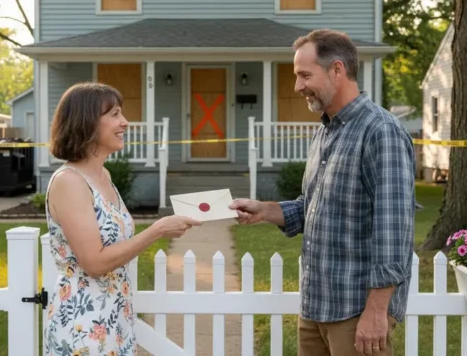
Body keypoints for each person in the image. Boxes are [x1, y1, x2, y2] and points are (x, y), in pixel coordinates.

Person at [230, 29, 415, 356]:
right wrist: (264, 210)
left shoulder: (381, 132)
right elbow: (311, 207)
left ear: (337, 70)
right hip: (315, 308)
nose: (297, 86)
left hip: (356, 313)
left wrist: (375, 313)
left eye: (304, 75)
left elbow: (394, 231)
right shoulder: (325, 133)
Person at [44, 81, 201, 355]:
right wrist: (157, 230)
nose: (125, 122)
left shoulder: (104, 176)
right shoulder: (69, 182)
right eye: (115, 114)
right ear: (87, 122)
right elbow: (94, 262)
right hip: (83, 325)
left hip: (116, 316)